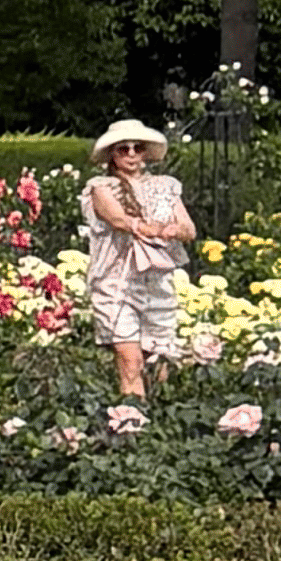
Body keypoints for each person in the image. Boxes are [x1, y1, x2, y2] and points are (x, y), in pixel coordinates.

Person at [83, 112, 196, 409]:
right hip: (117, 283)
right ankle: (131, 424)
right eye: (124, 148)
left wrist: (174, 229)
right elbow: (118, 219)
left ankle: (161, 430)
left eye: (138, 147)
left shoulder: (166, 186)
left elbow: (189, 228)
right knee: (130, 360)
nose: (132, 154)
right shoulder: (101, 187)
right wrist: (150, 228)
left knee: (162, 362)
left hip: (157, 281)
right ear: (112, 154)